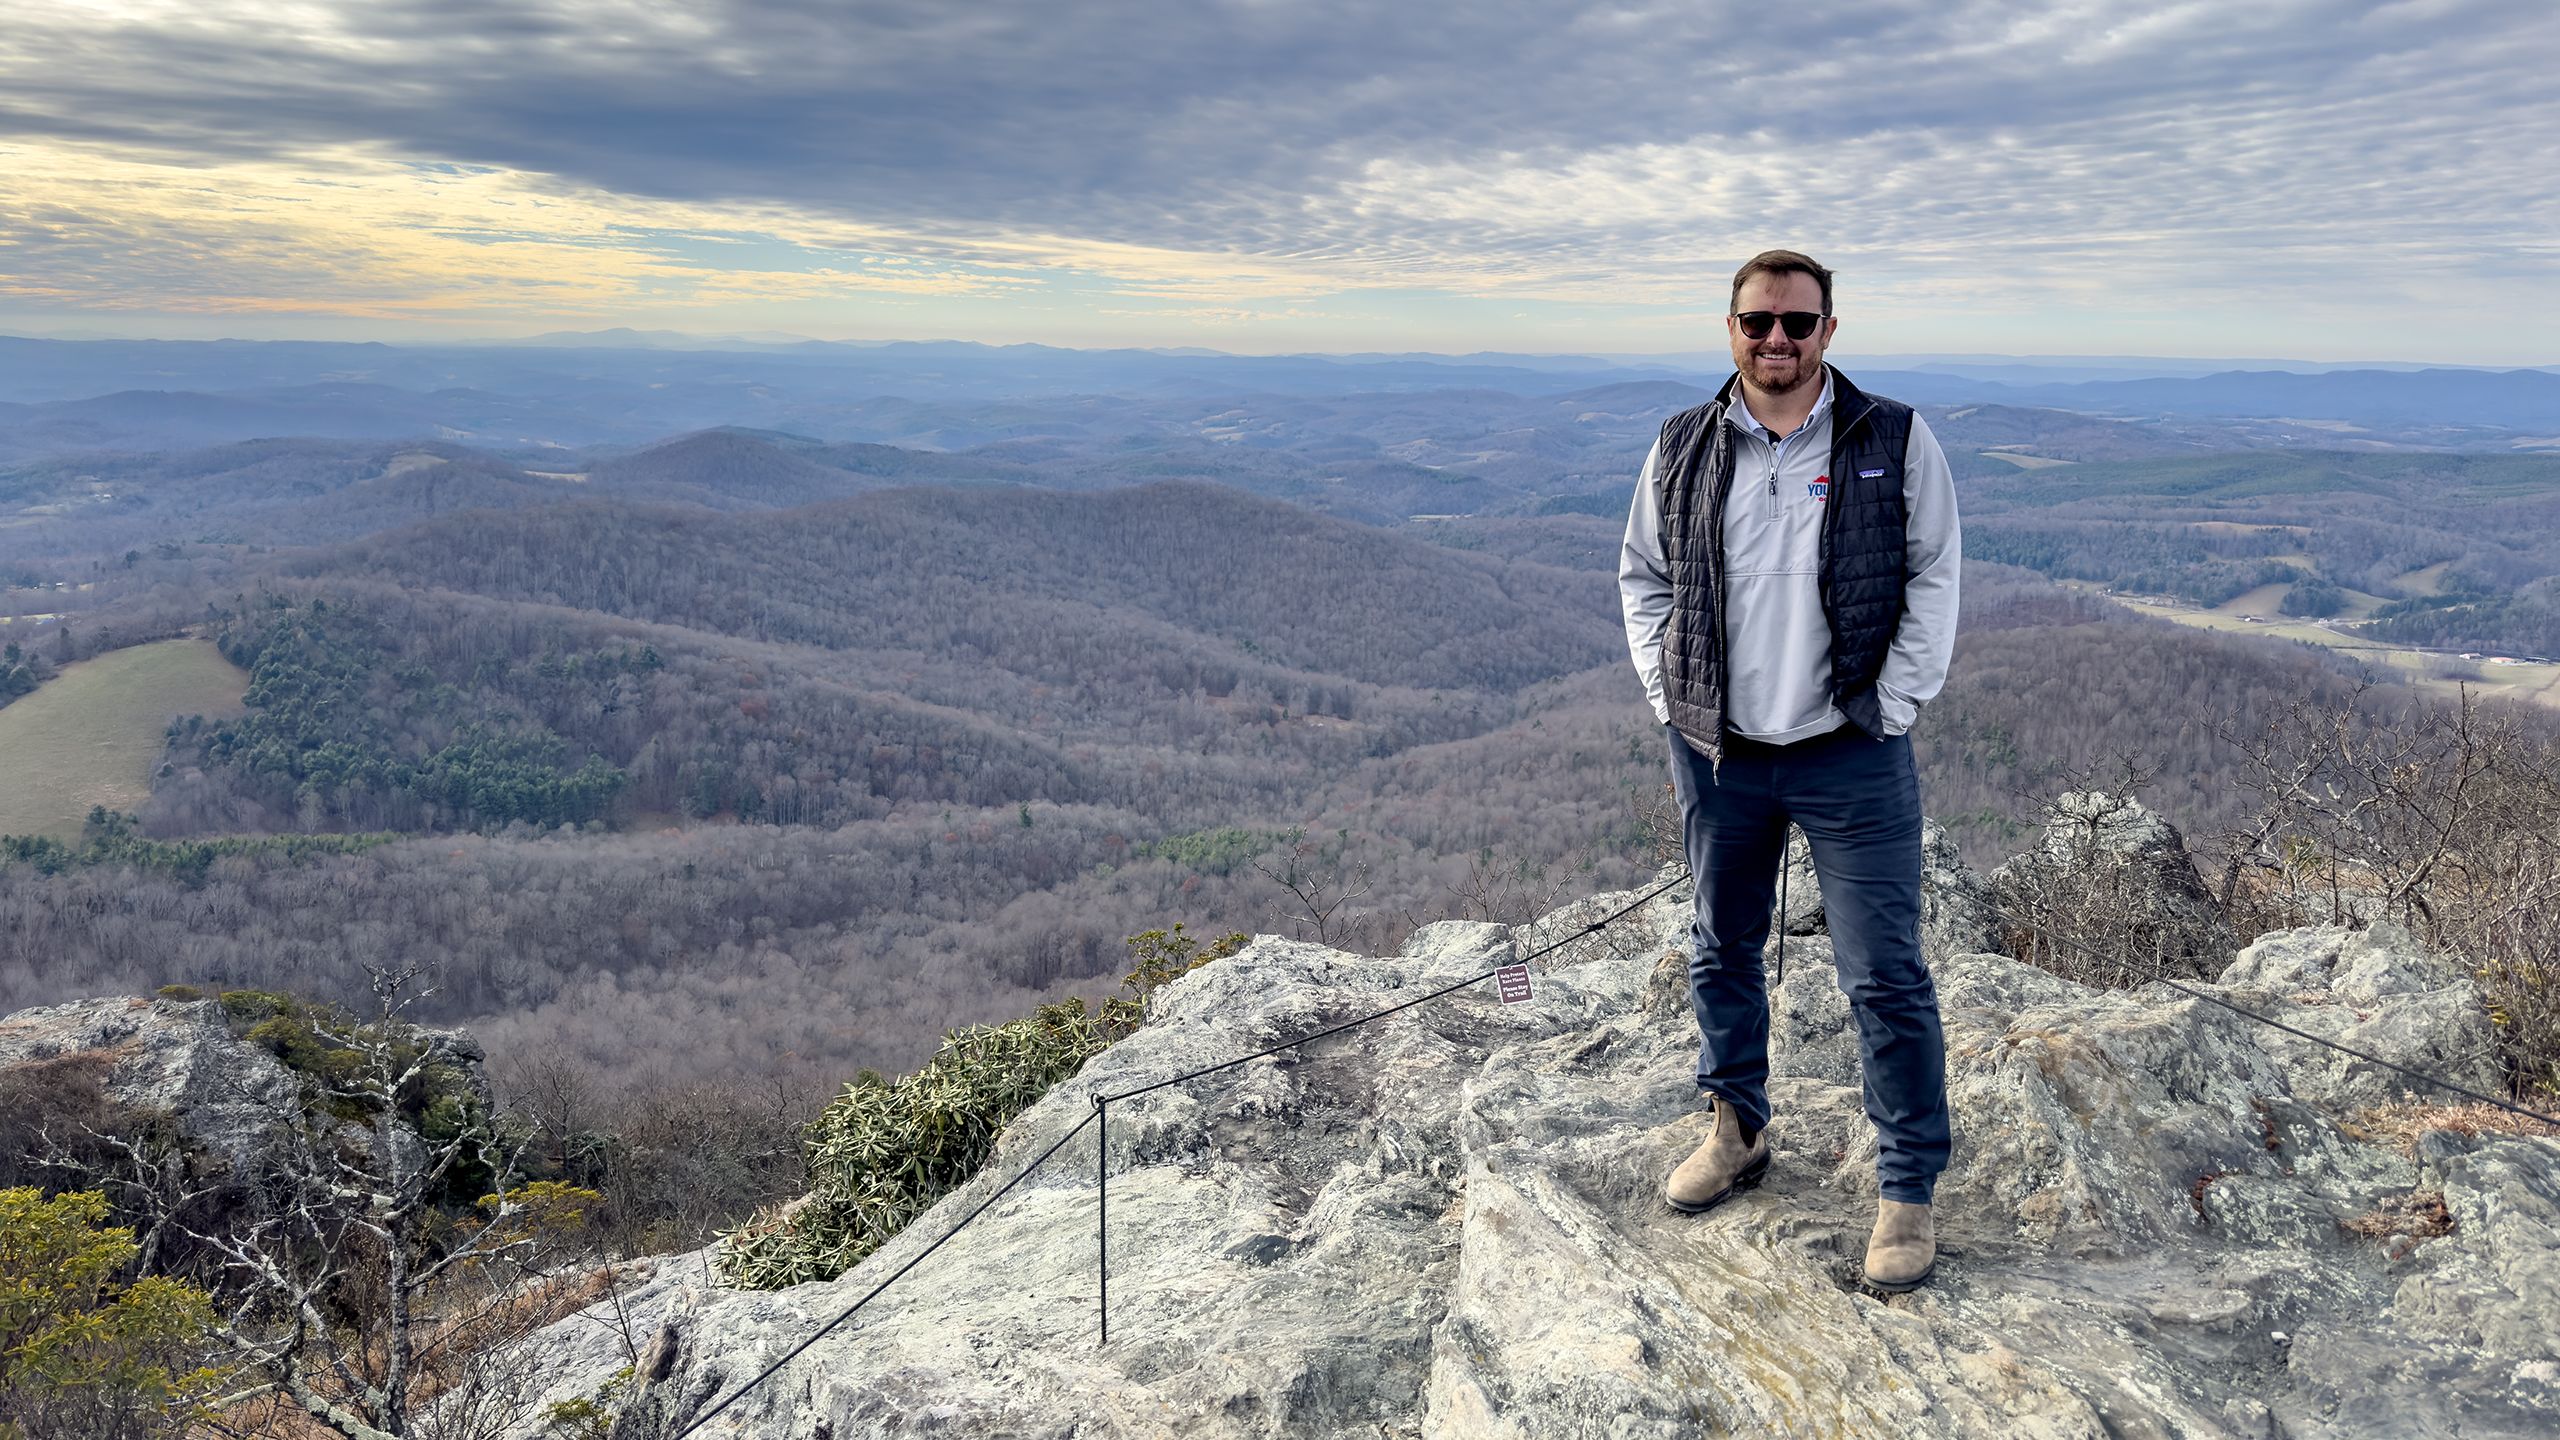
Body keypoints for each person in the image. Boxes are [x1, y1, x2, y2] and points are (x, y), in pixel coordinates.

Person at [1616, 249, 1960, 1292]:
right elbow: (1642, 577)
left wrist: (1891, 706)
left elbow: (1935, 571)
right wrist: (1666, 696)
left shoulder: (1889, 438)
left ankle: (1904, 1189)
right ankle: (1736, 1128)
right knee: (1719, 945)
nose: (1777, 341)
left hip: (1850, 752)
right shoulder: (1681, 443)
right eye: (1758, 323)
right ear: (1729, 329)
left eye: (1797, 324)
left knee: (1883, 976)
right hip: (1720, 753)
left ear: (1828, 331)